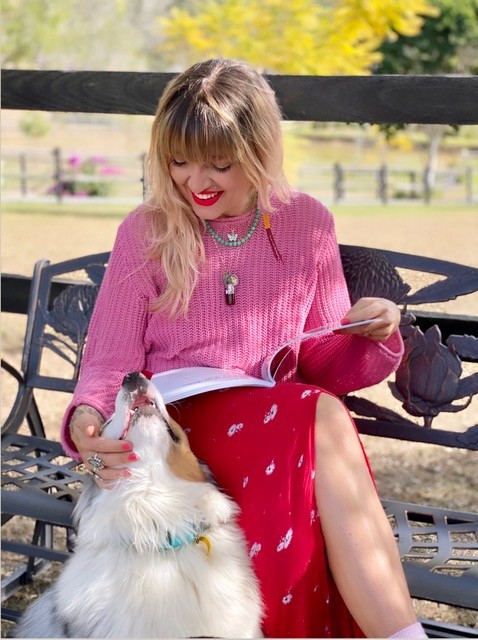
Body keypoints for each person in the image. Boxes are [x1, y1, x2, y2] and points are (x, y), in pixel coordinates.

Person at [61, 58, 427, 639]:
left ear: (258, 151)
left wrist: (377, 332)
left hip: (271, 420)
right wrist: (85, 418)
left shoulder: (305, 224)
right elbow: (109, 361)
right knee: (318, 417)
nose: (195, 180)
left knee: (314, 421)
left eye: (219, 163)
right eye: (178, 161)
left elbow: (323, 363)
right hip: (175, 428)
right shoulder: (147, 231)